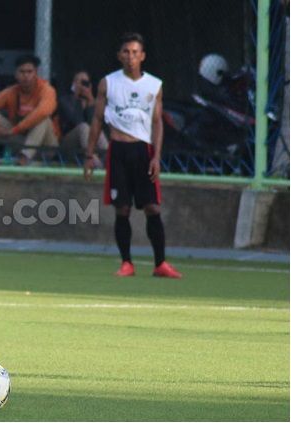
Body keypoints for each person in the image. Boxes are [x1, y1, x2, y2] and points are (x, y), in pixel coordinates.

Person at [83, 32, 181, 279]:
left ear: (143, 56)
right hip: (118, 151)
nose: (130, 57)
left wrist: (156, 156)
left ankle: (160, 263)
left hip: (142, 150)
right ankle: (127, 262)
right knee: (122, 209)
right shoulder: (108, 83)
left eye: (135, 52)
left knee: (152, 207)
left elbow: (157, 123)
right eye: (126, 52)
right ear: (119, 55)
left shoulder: (154, 85)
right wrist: (89, 155)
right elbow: (96, 120)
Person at [0, 55, 57, 165]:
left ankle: (24, 160)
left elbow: (43, 111)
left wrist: (16, 129)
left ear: (36, 73)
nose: (26, 76)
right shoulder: (12, 91)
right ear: (16, 74)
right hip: (21, 140)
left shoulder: (47, 90)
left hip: (45, 146)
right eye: (22, 72)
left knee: (43, 119)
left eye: (29, 72)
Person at [57, 70, 108, 166]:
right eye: (78, 81)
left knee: (97, 129)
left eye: (84, 82)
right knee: (83, 127)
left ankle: (111, 160)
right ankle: (95, 163)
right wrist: (76, 98)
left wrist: (90, 100)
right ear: (73, 83)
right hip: (68, 144)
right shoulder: (65, 100)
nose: (81, 85)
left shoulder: (92, 102)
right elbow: (76, 121)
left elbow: (95, 123)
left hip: (86, 145)